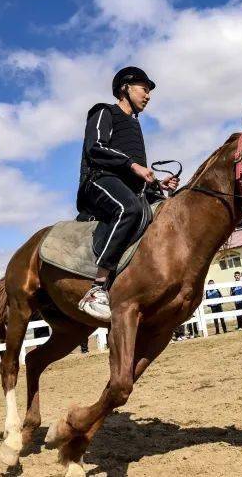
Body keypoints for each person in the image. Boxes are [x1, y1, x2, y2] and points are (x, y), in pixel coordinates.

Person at [76, 67, 178, 321]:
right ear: (125, 87)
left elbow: (135, 170)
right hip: (98, 181)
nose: (148, 96)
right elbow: (95, 148)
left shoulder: (135, 125)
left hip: (129, 186)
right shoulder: (104, 111)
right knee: (129, 209)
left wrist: (158, 185)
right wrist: (133, 166)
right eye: (144, 89)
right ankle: (97, 288)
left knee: (167, 210)